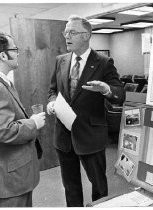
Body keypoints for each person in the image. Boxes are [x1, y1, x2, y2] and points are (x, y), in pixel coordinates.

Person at [47, 15, 125, 207]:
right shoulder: (61, 60)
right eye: (65, 32)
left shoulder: (104, 62)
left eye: (72, 32)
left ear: (86, 35)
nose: (67, 36)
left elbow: (120, 94)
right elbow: (52, 90)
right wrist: (51, 103)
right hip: (64, 136)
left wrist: (105, 89)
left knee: (98, 185)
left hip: (90, 135)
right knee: (70, 185)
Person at [0, 32, 46, 207]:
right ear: (3, 55)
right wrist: (33, 123)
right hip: (11, 182)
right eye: (15, 49)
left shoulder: (5, 83)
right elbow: (4, 130)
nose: (18, 53)